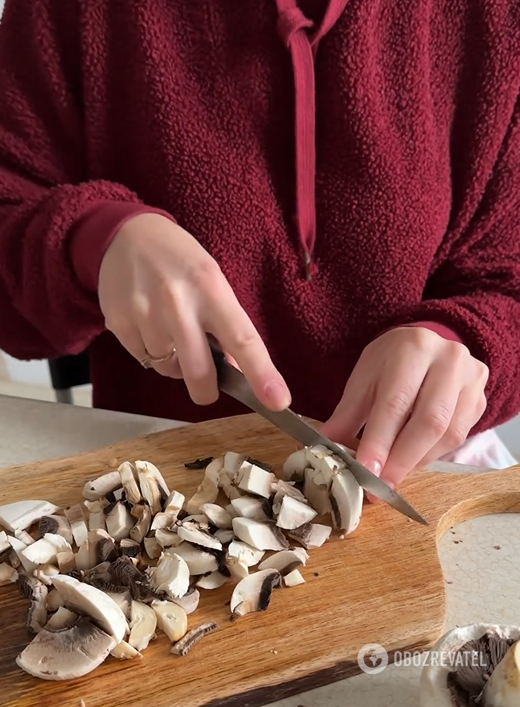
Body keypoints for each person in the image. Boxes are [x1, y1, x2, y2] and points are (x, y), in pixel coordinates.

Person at [0, 0, 519, 490]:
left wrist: (464, 339)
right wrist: (93, 239)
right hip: (160, 480)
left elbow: (508, 284)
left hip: (428, 477)